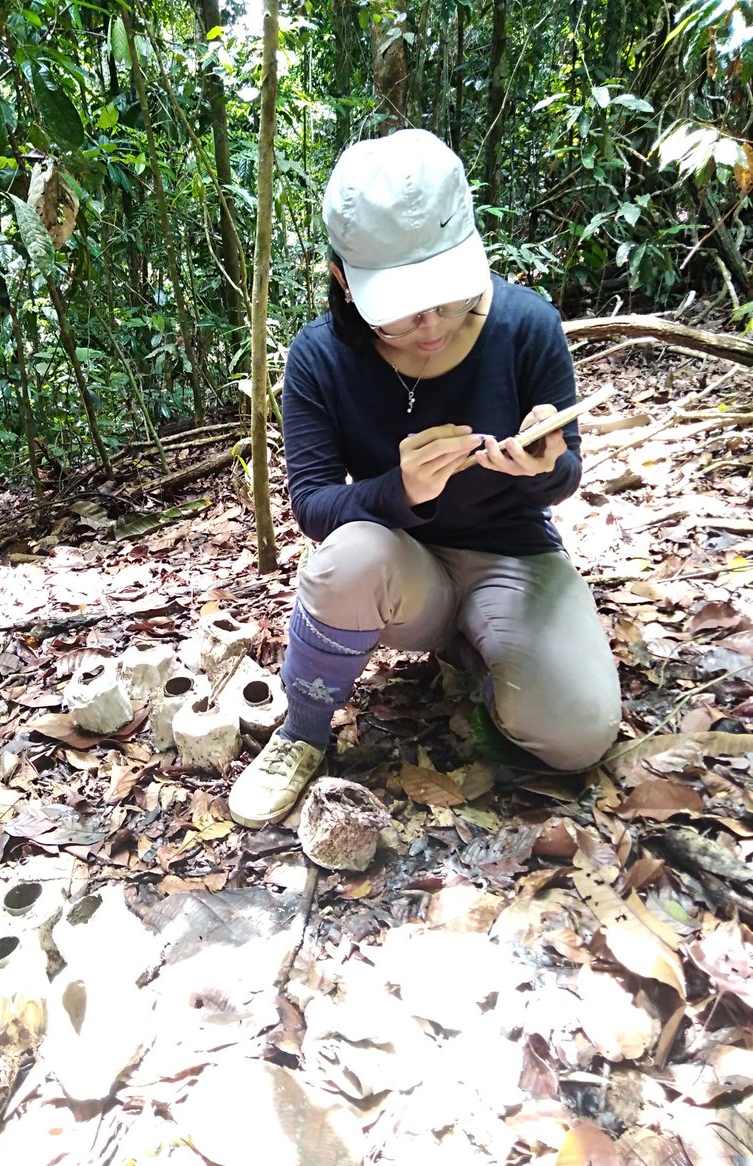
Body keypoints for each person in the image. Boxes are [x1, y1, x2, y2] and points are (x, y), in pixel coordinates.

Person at [228, 128, 622, 829]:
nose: (431, 324)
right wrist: (401, 491)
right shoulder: (320, 358)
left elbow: (565, 478)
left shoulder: (527, 327)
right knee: (347, 556)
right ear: (345, 280)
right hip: (402, 569)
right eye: (404, 309)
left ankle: (484, 660)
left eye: (446, 295)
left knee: (578, 737)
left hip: (514, 558)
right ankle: (303, 731)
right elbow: (313, 506)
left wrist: (544, 469)